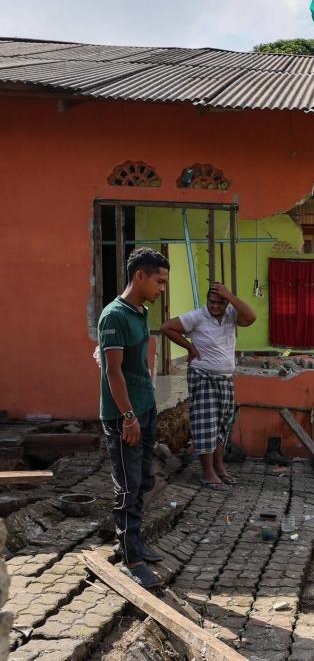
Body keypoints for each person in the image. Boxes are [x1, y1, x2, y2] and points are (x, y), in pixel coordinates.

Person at [98, 247, 169, 590]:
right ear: (139, 276)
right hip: (124, 415)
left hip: (145, 407)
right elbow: (113, 372)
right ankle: (130, 558)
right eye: (159, 281)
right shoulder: (114, 316)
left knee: (142, 480)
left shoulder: (139, 311)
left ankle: (134, 540)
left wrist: (144, 410)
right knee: (127, 484)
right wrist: (127, 417)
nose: (163, 288)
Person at [160, 282, 256, 491]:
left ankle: (219, 467)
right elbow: (166, 327)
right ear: (206, 301)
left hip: (225, 379)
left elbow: (251, 317)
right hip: (203, 377)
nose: (215, 307)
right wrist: (189, 347)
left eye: (220, 303)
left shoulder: (231, 315)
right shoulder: (197, 317)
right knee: (205, 426)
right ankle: (207, 473)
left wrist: (229, 296)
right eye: (211, 302)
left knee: (221, 425)